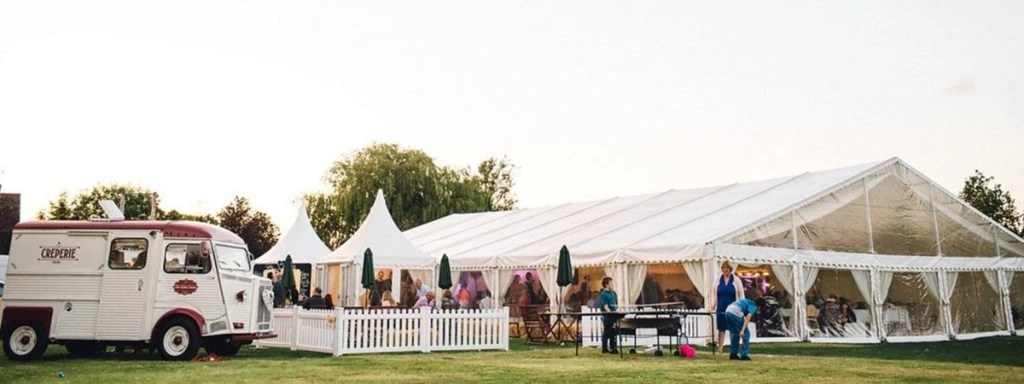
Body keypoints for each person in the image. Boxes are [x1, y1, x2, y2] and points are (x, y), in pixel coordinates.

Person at [708, 263, 744, 354]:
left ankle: (734, 349)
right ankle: (720, 348)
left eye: (727, 268)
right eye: (723, 268)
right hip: (721, 306)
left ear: (730, 269)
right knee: (721, 328)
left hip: (733, 307)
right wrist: (713, 304)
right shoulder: (718, 280)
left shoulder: (736, 280)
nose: (725, 270)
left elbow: (741, 293)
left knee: (733, 328)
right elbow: (714, 293)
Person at [599, 276, 619, 354]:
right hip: (608, 316)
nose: (612, 284)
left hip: (613, 315)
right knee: (607, 332)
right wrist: (611, 313)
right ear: (606, 284)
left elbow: (614, 304)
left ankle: (613, 347)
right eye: (611, 283)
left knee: (613, 332)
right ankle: (604, 348)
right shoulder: (604, 294)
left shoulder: (613, 293)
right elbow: (605, 306)